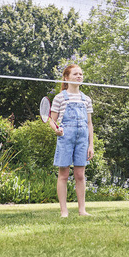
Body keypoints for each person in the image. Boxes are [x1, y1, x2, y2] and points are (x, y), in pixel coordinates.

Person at [49, 64, 94, 217]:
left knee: (80, 175)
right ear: (67, 78)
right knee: (63, 175)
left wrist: (91, 145)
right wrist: (56, 129)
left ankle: (82, 210)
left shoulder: (86, 99)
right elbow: (51, 120)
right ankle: (64, 211)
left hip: (82, 140)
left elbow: (89, 124)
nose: (79, 76)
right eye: (76, 74)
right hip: (65, 138)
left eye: (81, 74)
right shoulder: (60, 97)